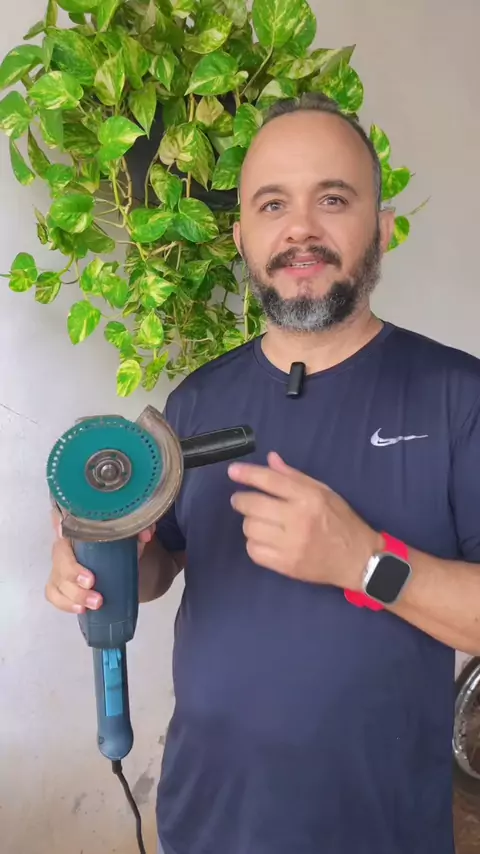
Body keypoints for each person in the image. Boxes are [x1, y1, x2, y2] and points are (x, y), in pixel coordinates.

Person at [46, 93, 480, 854]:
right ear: (242, 236)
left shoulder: (459, 397)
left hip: (378, 830)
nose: (300, 228)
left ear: (382, 229)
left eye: (333, 199)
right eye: (273, 204)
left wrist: (365, 562)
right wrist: (102, 557)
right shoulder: (196, 402)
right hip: (205, 821)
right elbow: (163, 564)